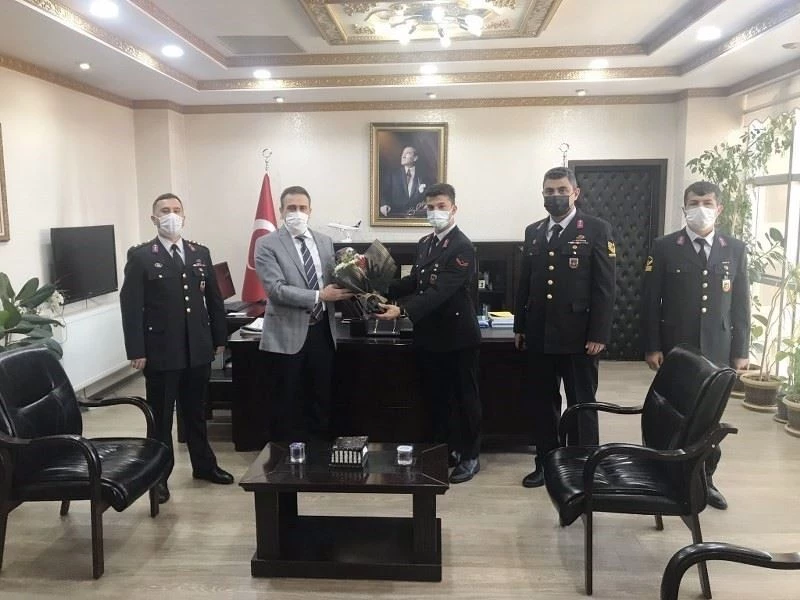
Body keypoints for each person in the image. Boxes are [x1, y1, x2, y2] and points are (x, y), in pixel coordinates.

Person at [641, 180, 750, 510]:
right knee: (676, 415)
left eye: (707, 202)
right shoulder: (664, 247)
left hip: (718, 347)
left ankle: (705, 480)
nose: (700, 208)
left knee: (710, 421)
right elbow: (650, 302)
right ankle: (669, 475)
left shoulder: (734, 248)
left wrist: (741, 350)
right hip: (678, 347)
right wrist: (652, 346)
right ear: (684, 208)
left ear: (719, 208)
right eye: (694, 203)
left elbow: (741, 304)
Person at [120, 193, 234, 505]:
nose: (171, 215)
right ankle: (158, 477)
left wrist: (219, 338)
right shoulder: (142, 256)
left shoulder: (200, 253)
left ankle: (204, 466)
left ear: (184, 216)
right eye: (164, 211)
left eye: (176, 210)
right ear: (153, 218)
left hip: (197, 348)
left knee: (195, 412)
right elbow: (131, 307)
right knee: (160, 418)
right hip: (161, 350)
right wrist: (136, 349)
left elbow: (214, 300)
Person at [514, 166, 616, 488]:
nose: (555, 196)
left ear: (575, 193)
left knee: (581, 403)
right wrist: (520, 325)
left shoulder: (596, 229)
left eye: (561, 190)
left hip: (579, 336)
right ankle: (546, 463)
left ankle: (584, 467)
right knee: (543, 403)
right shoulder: (533, 231)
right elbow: (525, 283)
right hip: (539, 333)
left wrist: (599, 333)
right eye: (549, 191)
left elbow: (605, 287)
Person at [376, 183, 482, 483]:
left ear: (454, 208)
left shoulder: (462, 247)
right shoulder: (426, 242)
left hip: (458, 337)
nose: (435, 212)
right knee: (437, 398)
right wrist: (378, 285)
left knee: (465, 398)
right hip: (429, 335)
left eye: (441, 206)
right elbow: (415, 282)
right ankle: (443, 450)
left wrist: (402, 309)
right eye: (431, 207)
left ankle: (470, 456)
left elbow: (440, 292)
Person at [254, 185, 353, 442]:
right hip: (287, 334)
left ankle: (318, 453)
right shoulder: (266, 244)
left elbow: (334, 280)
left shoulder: (324, 241)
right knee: (287, 401)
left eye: (302, 208)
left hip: (322, 331)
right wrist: (319, 296)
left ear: (310, 211)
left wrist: (357, 282)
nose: (297, 213)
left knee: (321, 397)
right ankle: (286, 456)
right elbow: (276, 290)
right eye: (291, 208)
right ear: (281, 211)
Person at [380, 146, 429, 217]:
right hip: (396, 216)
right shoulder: (393, 174)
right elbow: (385, 193)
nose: (403, 156)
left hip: (416, 217)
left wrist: (426, 204)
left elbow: (428, 196)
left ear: (415, 158)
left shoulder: (423, 176)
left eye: (407, 153)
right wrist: (384, 204)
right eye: (403, 153)